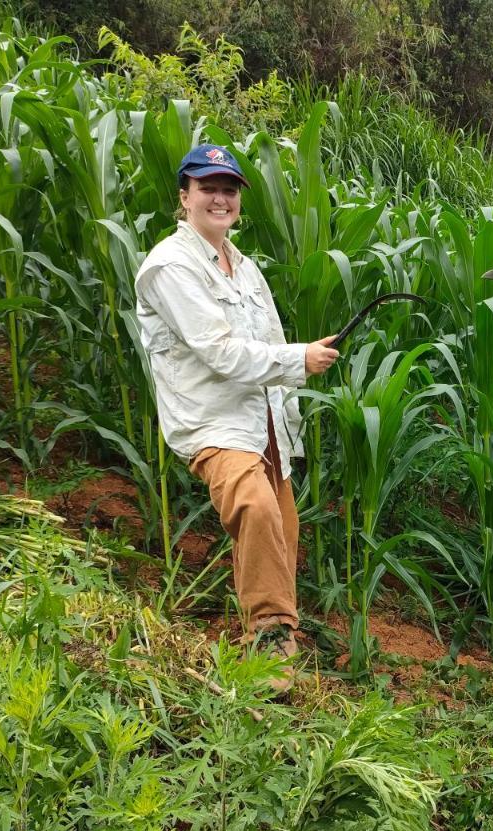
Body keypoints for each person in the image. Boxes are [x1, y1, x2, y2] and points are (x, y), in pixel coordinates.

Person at [134, 143, 339, 691]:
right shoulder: (169, 267)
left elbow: (266, 339)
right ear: (185, 197)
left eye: (229, 190)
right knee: (252, 505)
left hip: (266, 421)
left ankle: (278, 649)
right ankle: (270, 650)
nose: (219, 198)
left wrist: (294, 375)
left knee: (283, 531)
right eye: (208, 188)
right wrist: (299, 358)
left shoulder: (245, 269)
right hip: (212, 422)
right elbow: (218, 351)